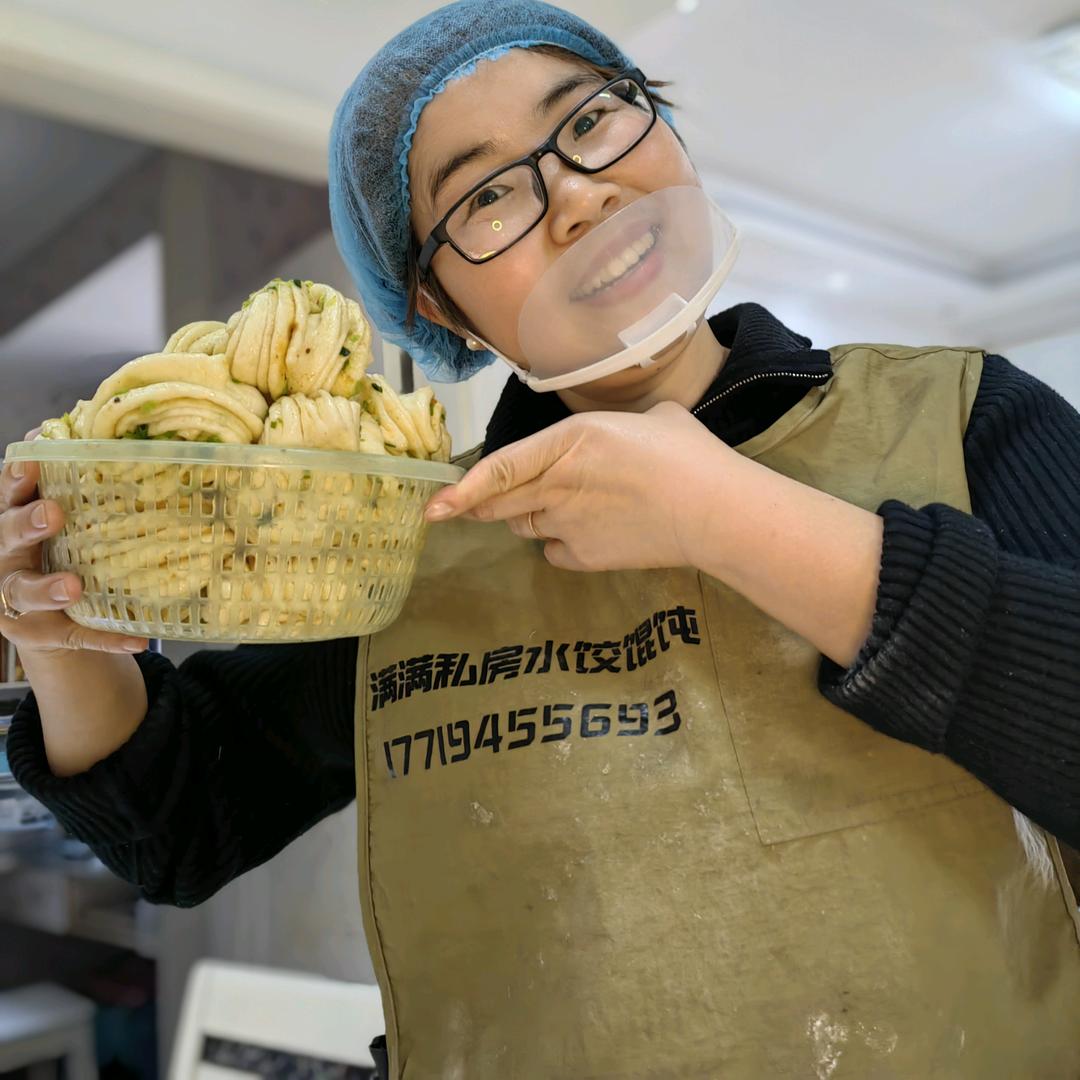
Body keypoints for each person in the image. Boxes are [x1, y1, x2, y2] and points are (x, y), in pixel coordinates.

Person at [3, 0, 1079, 1075]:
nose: (575, 194)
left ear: (667, 134)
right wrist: (55, 632)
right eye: (485, 195)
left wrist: (730, 517)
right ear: (440, 305)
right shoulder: (401, 537)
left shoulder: (963, 416)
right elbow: (188, 817)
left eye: (594, 120)